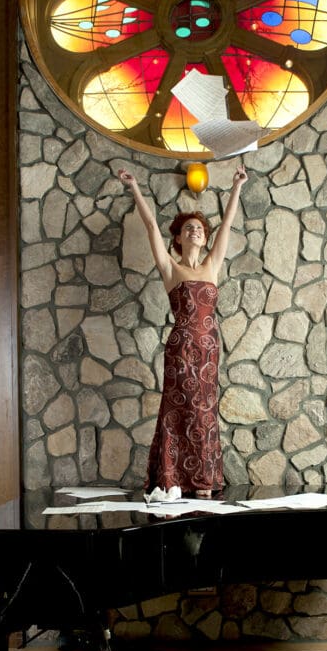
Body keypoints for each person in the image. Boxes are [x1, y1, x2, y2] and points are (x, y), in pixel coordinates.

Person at [117, 164, 248, 497]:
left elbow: (228, 224)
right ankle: (174, 478)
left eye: (200, 229)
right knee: (181, 407)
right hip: (181, 348)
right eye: (189, 228)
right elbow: (149, 225)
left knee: (204, 410)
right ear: (177, 237)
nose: (196, 231)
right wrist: (134, 187)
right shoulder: (170, 267)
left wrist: (237, 186)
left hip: (209, 348)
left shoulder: (212, 265)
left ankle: (203, 480)